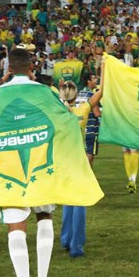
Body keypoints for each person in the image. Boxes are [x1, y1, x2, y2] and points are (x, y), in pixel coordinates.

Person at [0, 48, 59, 277]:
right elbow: (62, 123)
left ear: (9, 68)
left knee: (16, 227)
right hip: (41, 164)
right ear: (32, 66)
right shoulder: (45, 92)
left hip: (9, 166)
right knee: (45, 217)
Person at [58, 80, 103, 258]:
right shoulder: (82, 110)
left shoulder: (56, 113)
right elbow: (101, 93)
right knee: (80, 202)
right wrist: (105, 70)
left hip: (63, 162)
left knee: (68, 200)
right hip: (79, 161)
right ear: (76, 96)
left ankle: (65, 238)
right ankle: (76, 245)